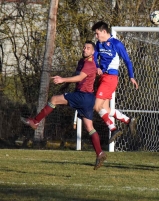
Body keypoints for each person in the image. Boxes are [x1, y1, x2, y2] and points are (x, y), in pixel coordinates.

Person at [20, 41, 106, 170]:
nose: (85, 49)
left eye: (88, 48)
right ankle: (100, 153)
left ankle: (36, 122)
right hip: (88, 99)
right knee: (90, 128)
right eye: (84, 47)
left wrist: (62, 80)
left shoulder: (89, 64)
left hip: (82, 97)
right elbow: (77, 77)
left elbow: (79, 78)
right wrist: (65, 85)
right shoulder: (82, 62)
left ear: (93, 52)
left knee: (54, 99)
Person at [91, 21, 139, 144]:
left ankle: (113, 129)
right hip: (103, 78)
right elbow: (94, 57)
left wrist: (131, 76)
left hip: (110, 78)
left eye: (97, 34)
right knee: (105, 109)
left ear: (103, 31)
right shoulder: (99, 44)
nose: (96, 36)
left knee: (97, 106)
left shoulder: (116, 44)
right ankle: (128, 120)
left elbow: (127, 61)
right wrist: (97, 67)